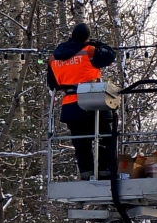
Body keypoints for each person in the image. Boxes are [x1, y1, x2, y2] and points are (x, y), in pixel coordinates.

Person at [47, 23, 117, 179]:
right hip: (92, 101)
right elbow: (110, 55)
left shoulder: (54, 58)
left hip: (70, 106)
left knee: (81, 144)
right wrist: (97, 44)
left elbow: (52, 84)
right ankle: (105, 172)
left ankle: (86, 173)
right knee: (105, 138)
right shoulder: (89, 51)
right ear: (86, 37)